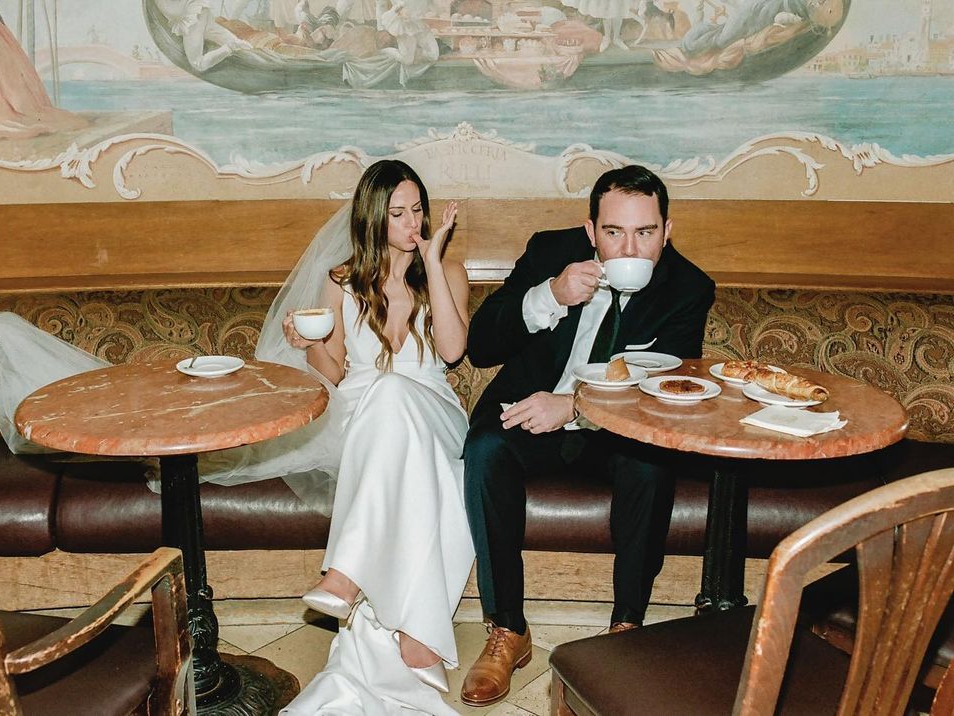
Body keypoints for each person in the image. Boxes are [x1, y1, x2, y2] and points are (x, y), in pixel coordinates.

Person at [459, 165, 714, 707]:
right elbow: (479, 347)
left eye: (645, 233)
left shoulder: (688, 288)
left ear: (667, 231)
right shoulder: (550, 253)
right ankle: (507, 628)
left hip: (617, 430)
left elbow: (667, 390)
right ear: (590, 230)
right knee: (484, 449)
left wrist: (573, 407)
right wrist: (550, 294)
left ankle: (626, 628)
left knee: (650, 462)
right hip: (532, 412)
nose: (630, 249)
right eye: (614, 232)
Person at [269, 159, 475, 715]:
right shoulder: (341, 281)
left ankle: (346, 574)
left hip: (434, 412)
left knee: (395, 390)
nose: (412, 222)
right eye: (397, 213)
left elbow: (452, 350)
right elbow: (333, 372)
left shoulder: (449, 272)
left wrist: (432, 261)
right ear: (373, 219)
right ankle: (418, 631)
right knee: (383, 395)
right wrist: (308, 342)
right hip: (363, 417)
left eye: (418, 210)